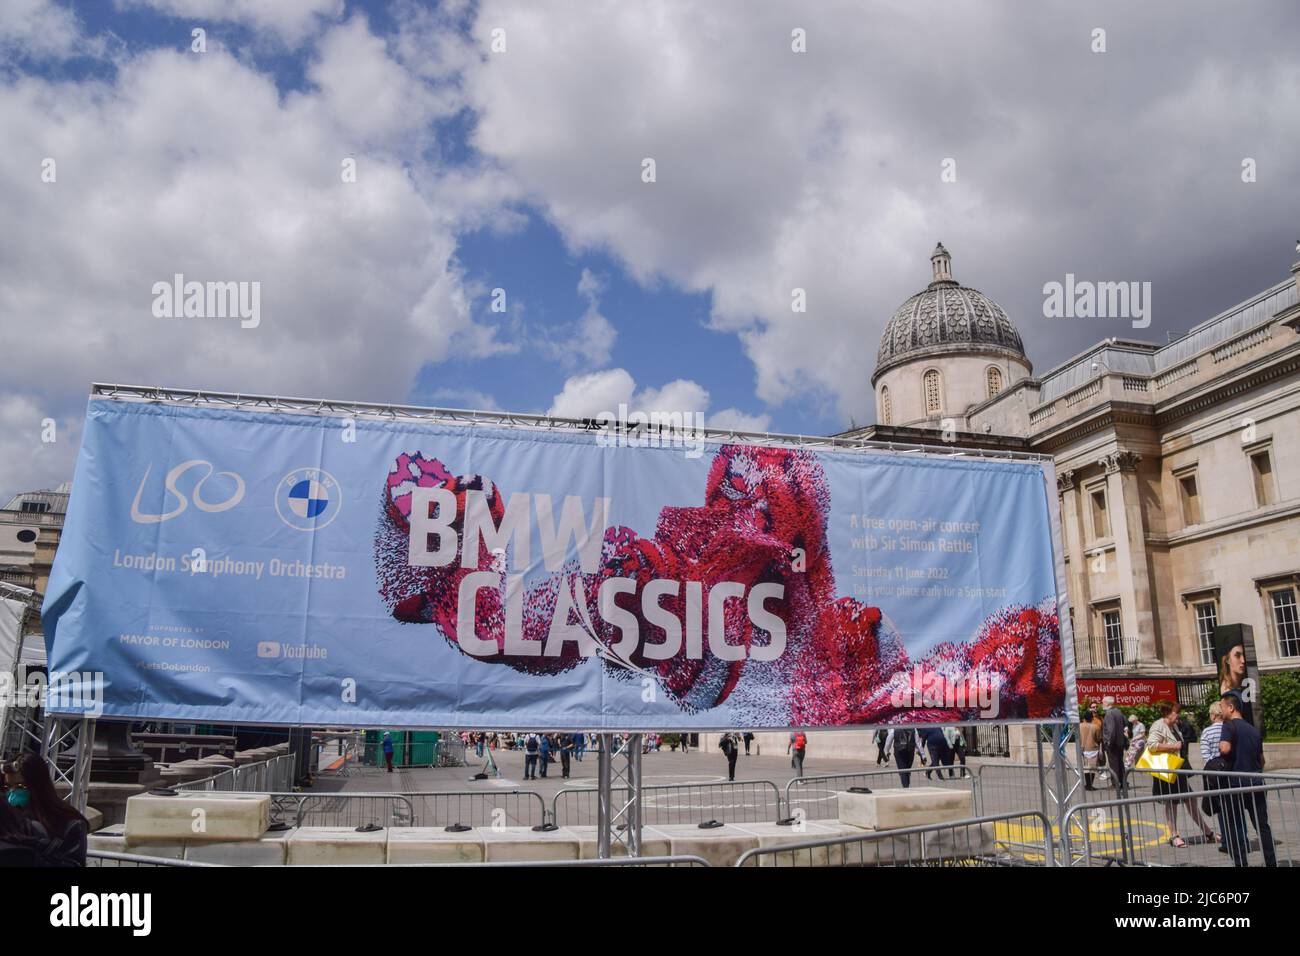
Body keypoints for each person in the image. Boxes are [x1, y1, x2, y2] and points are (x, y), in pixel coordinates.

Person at [1218, 691, 1276, 867]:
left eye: (1222, 707)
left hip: (1235, 785)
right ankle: (1271, 862)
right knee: (1262, 826)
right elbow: (1262, 759)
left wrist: (1220, 748)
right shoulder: (1253, 729)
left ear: (1231, 707)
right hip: (1256, 782)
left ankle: (1240, 863)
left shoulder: (1228, 726)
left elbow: (1225, 749)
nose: (1221, 711)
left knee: (1234, 825)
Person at [1146, 702, 1215, 849]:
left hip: (1178, 770)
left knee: (1190, 800)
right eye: (1176, 712)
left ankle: (1208, 833)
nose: (1178, 715)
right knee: (1172, 803)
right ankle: (1174, 835)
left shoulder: (1174, 726)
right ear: (1168, 713)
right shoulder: (1159, 725)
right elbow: (1151, 745)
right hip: (1167, 770)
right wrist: (1172, 746)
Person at [11, 754, 88, 867]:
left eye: (19, 787)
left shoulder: (71, 825)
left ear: (36, 785)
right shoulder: (8, 821)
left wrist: (32, 854)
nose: (11, 792)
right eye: (6, 787)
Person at [1101, 697, 1128, 793]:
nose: (1102, 704)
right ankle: (1123, 782)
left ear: (1108, 704)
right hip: (1120, 742)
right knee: (1120, 763)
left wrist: (1108, 742)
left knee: (1113, 764)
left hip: (1113, 743)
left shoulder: (1109, 713)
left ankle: (1115, 783)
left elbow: (1111, 730)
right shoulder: (1119, 712)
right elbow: (1125, 725)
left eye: (1103, 702)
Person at [1079, 709, 1100, 790]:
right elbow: (1098, 738)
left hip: (1083, 749)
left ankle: (1087, 784)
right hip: (1093, 749)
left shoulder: (1080, 726)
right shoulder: (1096, 727)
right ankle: (1090, 785)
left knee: (1086, 768)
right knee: (1093, 768)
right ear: (1092, 718)